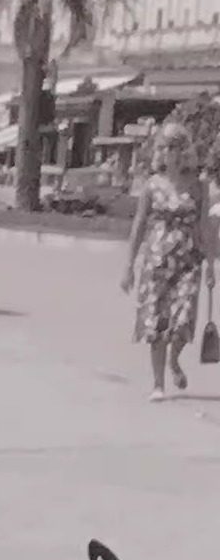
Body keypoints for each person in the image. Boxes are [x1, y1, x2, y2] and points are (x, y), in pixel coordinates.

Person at [121, 120, 209, 401]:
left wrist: (210, 264)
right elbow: (138, 225)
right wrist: (129, 267)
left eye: (175, 146)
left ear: (185, 150)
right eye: (165, 146)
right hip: (156, 262)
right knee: (156, 322)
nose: (170, 152)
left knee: (183, 320)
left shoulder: (199, 186)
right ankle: (158, 384)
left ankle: (174, 360)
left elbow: (204, 227)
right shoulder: (152, 186)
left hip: (188, 262)